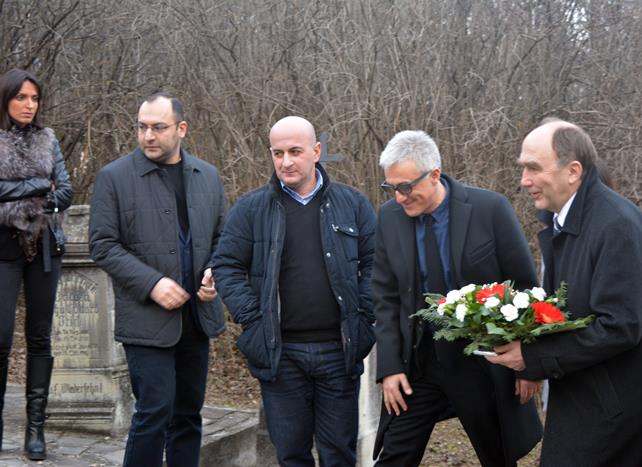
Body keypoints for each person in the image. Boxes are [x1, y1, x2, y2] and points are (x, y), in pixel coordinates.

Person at [488, 119, 642, 466]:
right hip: (590, 404)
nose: (524, 180)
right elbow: (570, 312)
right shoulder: (568, 221)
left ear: (573, 171)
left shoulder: (616, 226)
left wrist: (534, 357)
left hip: (622, 419)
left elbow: (619, 326)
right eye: (523, 168)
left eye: (533, 168)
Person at [212, 116, 376, 466]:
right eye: (278, 153)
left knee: (339, 455)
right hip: (280, 354)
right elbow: (226, 265)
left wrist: (363, 314)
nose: (286, 161)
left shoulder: (353, 204)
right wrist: (253, 317)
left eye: (295, 152)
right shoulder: (251, 209)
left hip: (339, 352)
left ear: (316, 151)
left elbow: (377, 264)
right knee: (290, 455)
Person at [372, 130, 543, 467]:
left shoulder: (489, 209)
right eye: (391, 188)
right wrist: (389, 368)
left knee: (498, 457)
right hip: (419, 363)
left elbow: (525, 287)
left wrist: (531, 362)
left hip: (481, 363)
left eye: (405, 187)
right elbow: (386, 298)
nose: (399, 197)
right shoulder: (389, 218)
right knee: (394, 457)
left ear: (434, 174)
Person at [88, 92, 227, 467]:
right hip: (146, 319)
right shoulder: (114, 178)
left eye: (158, 127)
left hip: (197, 318)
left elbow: (223, 239)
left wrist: (214, 272)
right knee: (154, 412)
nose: (148, 135)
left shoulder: (208, 177)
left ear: (181, 129)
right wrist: (152, 284)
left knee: (188, 414)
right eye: (142, 127)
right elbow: (103, 245)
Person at [0, 68, 72, 460]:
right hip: (4, 247)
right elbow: (48, 187)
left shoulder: (49, 138)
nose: (29, 105)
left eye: (34, 98)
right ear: (6, 99)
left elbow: (66, 191)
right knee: (1, 338)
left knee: (40, 336)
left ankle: (35, 430)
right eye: (21, 97)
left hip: (44, 244)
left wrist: (20, 195)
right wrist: (39, 187)